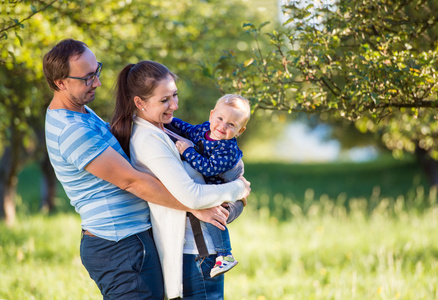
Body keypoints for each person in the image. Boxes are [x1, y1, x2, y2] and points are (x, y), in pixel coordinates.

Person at [43, 39, 250, 299]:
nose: (97, 82)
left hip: (131, 239)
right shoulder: (72, 131)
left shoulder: (81, 113)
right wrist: (208, 201)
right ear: (61, 83)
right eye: (88, 78)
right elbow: (133, 182)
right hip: (119, 244)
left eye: (97, 71)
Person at [111, 60, 249, 299]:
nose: (174, 105)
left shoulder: (163, 128)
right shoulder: (148, 139)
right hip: (196, 252)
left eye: (174, 95)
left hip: (202, 249)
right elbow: (192, 195)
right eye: (164, 100)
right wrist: (238, 188)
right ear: (139, 103)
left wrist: (233, 200)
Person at [171, 94, 251, 278]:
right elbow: (189, 130)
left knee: (215, 215)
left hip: (232, 199)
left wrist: (187, 151)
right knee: (213, 210)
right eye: (220, 119)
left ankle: (225, 255)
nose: (222, 126)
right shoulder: (205, 130)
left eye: (231, 125)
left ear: (240, 130)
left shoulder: (227, 148)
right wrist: (171, 121)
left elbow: (208, 169)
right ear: (211, 115)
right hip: (221, 190)